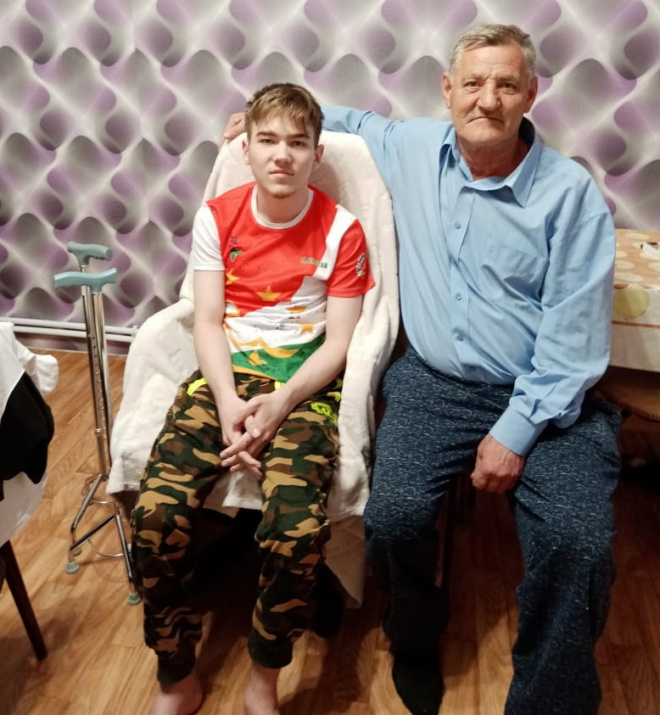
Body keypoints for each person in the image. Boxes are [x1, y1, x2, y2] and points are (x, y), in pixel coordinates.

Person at [228, 22, 623, 715]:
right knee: (393, 518)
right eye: (473, 83)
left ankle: (548, 698)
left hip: (547, 394)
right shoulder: (411, 147)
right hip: (435, 384)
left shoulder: (570, 196)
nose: (488, 99)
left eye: (506, 84)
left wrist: (515, 431)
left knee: (578, 541)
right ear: (447, 90)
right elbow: (348, 123)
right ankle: (414, 629)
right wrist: (262, 117)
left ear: (531, 94)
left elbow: (574, 341)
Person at [132, 82, 374, 715]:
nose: (282, 155)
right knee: (154, 520)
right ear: (246, 148)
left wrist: (281, 403)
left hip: (304, 391)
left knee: (295, 535)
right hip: (222, 381)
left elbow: (339, 343)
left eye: (297, 142)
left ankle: (264, 679)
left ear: (317, 153)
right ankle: (177, 674)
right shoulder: (218, 217)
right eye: (267, 140)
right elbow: (207, 321)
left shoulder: (343, 230)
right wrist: (228, 402)